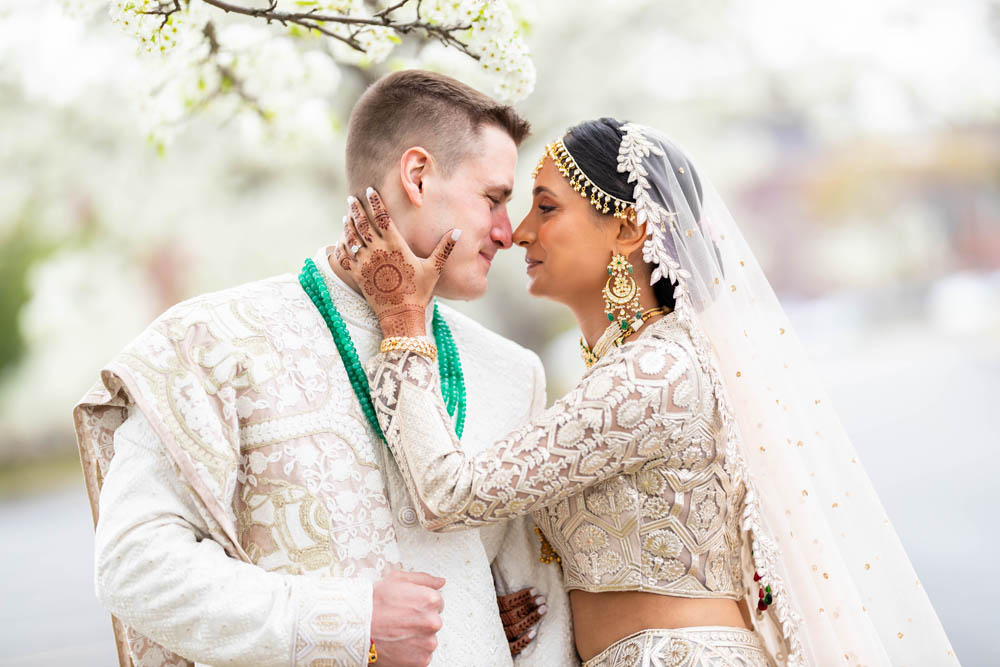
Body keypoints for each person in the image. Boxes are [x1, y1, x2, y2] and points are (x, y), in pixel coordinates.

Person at [340, 117, 958, 666]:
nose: (520, 232)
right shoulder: (641, 368)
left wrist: (401, 322)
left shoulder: (654, 376)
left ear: (630, 231)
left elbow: (452, 493)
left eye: (547, 208)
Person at [72, 70, 576, 667]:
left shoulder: (510, 373)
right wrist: (349, 622)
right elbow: (135, 565)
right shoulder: (214, 342)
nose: (507, 232)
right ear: (417, 176)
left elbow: (538, 608)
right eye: (493, 198)